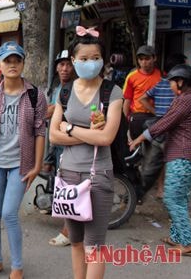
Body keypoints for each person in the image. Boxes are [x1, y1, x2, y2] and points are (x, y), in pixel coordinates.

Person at [50, 26, 123, 279]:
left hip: (98, 176)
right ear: (72, 61)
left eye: (95, 58)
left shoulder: (111, 92)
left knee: (95, 246)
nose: (89, 63)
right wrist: (85, 133)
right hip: (68, 175)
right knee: (77, 242)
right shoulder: (65, 91)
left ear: (103, 60)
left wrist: (69, 127)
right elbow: (52, 135)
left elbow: (106, 137)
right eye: (83, 59)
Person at [0, 41, 47, 279]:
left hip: (20, 164)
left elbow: (39, 132)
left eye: (17, 60)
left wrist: (37, 166)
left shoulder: (35, 95)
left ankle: (17, 266)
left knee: (8, 214)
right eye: (7, 60)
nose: (13, 65)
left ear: (23, 63)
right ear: (0, 64)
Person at [130, 64, 191, 257]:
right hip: (190, 156)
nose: (170, 86)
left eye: (171, 82)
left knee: (171, 198)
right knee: (180, 199)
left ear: (180, 82)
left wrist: (141, 137)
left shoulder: (186, 100)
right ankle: (177, 237)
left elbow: (165, 122)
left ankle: (188, 242)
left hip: (183, 155)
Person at [137, 53, 186, 199]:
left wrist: (156, 112)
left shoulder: (161, 83)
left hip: (159, 124)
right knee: (166, 159)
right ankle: (161, 189)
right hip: (170, 127)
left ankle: (150, 190)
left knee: (155, 160)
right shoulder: (178, 86)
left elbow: (143, 98)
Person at [45, 49, 75, 247]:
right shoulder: (57, 88)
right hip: (57, 144)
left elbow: (55, 111)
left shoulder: (75, 88)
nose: (64, 68)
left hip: (69, 143)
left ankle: (68, 231)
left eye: (68, 64)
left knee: (68, 187)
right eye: (61, 64)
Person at [122, 45, 162, 138]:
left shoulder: (162, 76)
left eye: (147, 59)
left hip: (155, 117)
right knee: (134, 147)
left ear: (154, 58)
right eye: (141, 59)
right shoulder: (132, 76)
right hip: (137, 117)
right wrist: (124, 123)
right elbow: (127, 100)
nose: (144, 62)